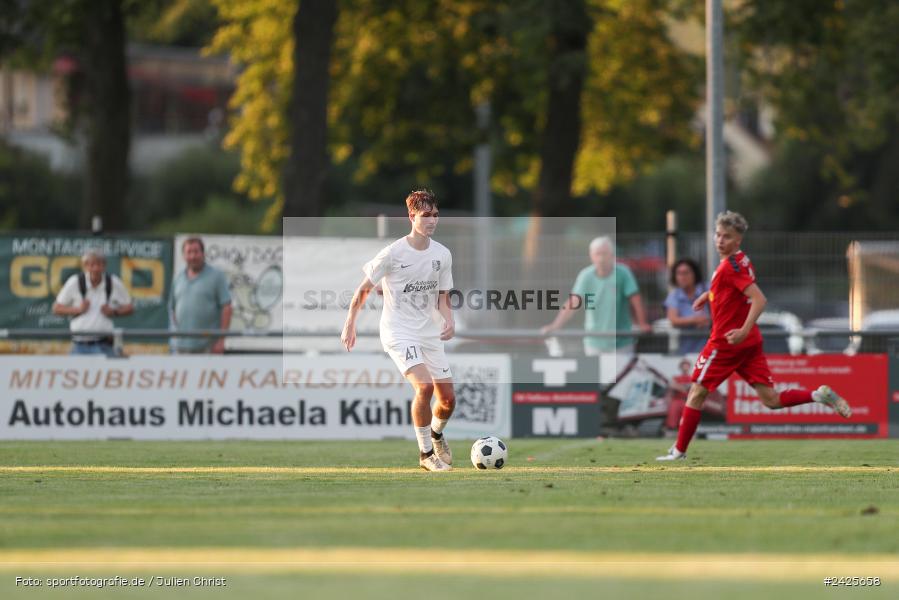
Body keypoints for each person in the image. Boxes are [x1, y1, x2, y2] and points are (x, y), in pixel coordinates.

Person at [657, 211, 851, 461]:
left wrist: (743, 329)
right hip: (749, 343)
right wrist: (709, 296)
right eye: (717, 235)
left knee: (696, 392)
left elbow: (759, 299)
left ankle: (679, 451)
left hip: (727, 342)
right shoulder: (740, 261)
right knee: (771, 399)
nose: (720, 240)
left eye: (727, 237)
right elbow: (735, 293)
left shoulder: (730, 267)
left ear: (738, 240)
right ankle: (818, 395)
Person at [341, 190, 456, 472]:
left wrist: (449, 320)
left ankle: (437, 435)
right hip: (398, 331)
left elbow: (443, 296)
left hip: (429, 332)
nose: (432, 220)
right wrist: (350, 322)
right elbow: (364, 289)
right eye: (426, 215)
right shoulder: (393, 253)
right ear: (411, 216)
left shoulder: (442, 254)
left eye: (436, 215)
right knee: (424, 386)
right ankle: (426, 455)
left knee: (448, 401)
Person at [542, 236, 651, 355]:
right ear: (591, 255)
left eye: (604, 254)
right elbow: (572, 303)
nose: (601, 258)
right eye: (598, 254)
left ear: (611, 255)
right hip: (594, 341)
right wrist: (555, 325)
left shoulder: (623, 273)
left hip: (622, 341)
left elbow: (635, 299)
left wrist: (642, 323)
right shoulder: (586, 276)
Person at [52, 249, 133, 356]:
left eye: (99, 264)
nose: (95, 269)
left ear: (104, 266)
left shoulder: (113, 282)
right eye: (91, 265)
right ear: (85, 266)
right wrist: (78, 310)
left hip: (104, 344)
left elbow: (129, 307)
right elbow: (56, 308)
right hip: (79, 345)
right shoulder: (75, 282)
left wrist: (113, 312)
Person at [170, 237, 232, 354]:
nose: (193, 256)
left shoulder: (216, 276)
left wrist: (221, 340)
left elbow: (227, 308)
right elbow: (173, 309)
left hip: (209, 346)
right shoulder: (178, 278)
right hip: (182, 346)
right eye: (189, 252)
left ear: (203, 253)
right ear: (184, 255)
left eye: (196, 252)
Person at [664, 258, 710, 354]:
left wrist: (709, 321)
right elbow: (673, 319)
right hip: (686, 350)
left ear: (694, 274)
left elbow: (721, 311)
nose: (682, 277)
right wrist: (695, 320)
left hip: (710, 347)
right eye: (679, 273)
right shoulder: (674, 295)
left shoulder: (707, 289)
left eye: (686, 273)